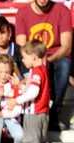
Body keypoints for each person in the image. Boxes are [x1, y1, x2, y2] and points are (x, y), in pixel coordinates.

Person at [15, 0, 71, 130]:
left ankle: (54, 114)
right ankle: (28, 114)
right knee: (22, 62)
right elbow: (22, 45)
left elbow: (66, 47)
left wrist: (49, 60)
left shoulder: (62, 10)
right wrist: (36, 61)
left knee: (64, 64)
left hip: (55, 56)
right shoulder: (23, 12)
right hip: (31, 57)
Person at [13, 40, 51, 143]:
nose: (23, 60)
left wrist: (17, 100)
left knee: (31, 142)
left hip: (34, 114)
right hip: (40, 113)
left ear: (34, 57)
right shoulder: (41, 70)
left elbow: (33, 92)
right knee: (37, 141)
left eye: (25, 57)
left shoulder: (37, 71)